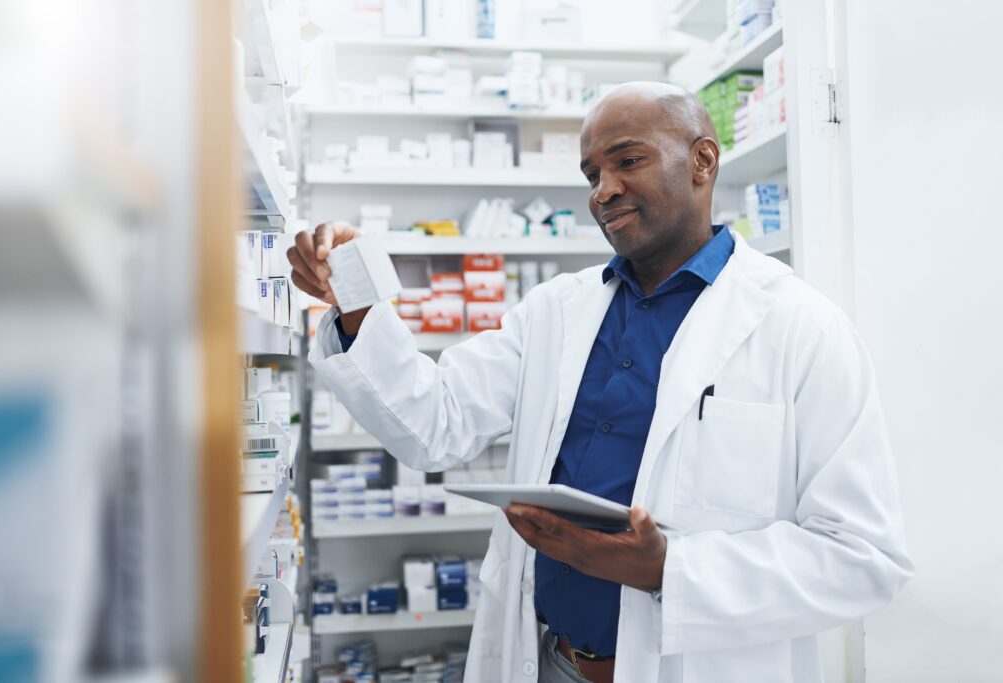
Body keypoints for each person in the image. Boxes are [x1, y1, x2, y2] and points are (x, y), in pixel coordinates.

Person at [287, 82, 913, 683]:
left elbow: (862, 557)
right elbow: (436, 425)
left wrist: (668, 570)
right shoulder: (556, 310)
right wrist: (356, 300)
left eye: (628, 161)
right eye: (591, 174)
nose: (604, 190)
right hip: (550, 661)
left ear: (703, 160)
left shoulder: (803, 328)